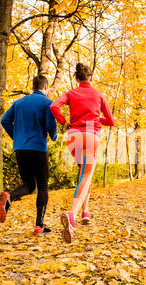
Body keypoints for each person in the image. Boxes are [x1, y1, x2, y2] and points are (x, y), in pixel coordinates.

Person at [50, 63, 114, 243]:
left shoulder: (71, 93)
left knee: (84, 173)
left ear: (77, 79)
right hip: (91, 136)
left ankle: (86, 213)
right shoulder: (98, 94)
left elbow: (54, 106)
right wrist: (95, 118)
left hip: (73, 137)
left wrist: (64, 121)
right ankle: (72, 215)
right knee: (86, 175)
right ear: (91, 78)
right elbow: (110, 120)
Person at [0, 75, 57, 236]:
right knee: (42, 186)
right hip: (38, 148)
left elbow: (5, 121)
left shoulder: (18, 103)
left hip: (20, 149)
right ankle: (39, 225)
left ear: (33, 87)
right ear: (45, 87)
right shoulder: (48, 103)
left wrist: (17, 137)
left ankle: (9, 196)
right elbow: (51, 125)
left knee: (28, 185)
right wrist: (54, 136)